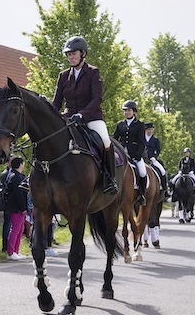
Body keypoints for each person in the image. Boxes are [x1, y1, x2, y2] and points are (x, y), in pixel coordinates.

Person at [52, 36, 117, 194]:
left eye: (74, 54)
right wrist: (50, 115)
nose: (71, 57)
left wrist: (82, 114)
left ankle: (109, 179)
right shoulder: (63, 76)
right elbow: (57, 102)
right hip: (69, 118)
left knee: (105, 141)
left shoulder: (93, 72)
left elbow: (97, 98)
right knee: (48, 136)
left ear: (83, 54)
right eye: (69, 54)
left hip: (91, 117)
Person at [113, 100, 148, 205]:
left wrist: (138, 156)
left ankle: (141, 194)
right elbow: (114, 139)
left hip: (134, 154)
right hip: (121, 154)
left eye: (129, 110)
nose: (127, 112)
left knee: (142, 172)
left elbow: (142, 142)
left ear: (134, 112)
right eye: (125, 111)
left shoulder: (140, 125)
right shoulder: (120, 124)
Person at [4, 156, 28, 261]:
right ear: (20, 164)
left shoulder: (15, 175)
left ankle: (16, 251)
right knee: (15, 229)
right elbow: (19, 194)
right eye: (23, 163)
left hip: (17, 206)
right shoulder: (15, 177)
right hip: (16, 207)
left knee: (20, 228)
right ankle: (10, 252)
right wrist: (23, 208)